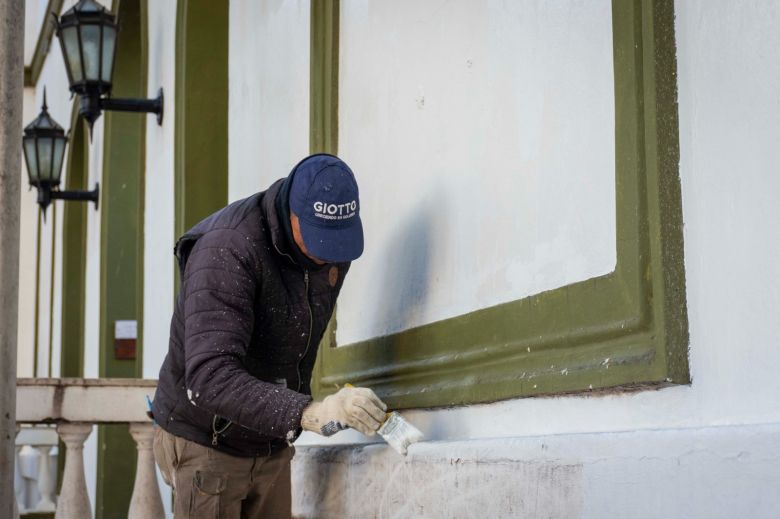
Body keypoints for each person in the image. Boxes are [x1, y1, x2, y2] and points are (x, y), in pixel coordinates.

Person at [151, 154, 387, 518]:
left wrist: (302, 414)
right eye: (318, 240)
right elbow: (208, 378)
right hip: (206, 439)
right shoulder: (227, 248)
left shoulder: (332, 249)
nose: (328, 259)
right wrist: (308, 411)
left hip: (270, 438)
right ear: (292, 213)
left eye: (337, 245)